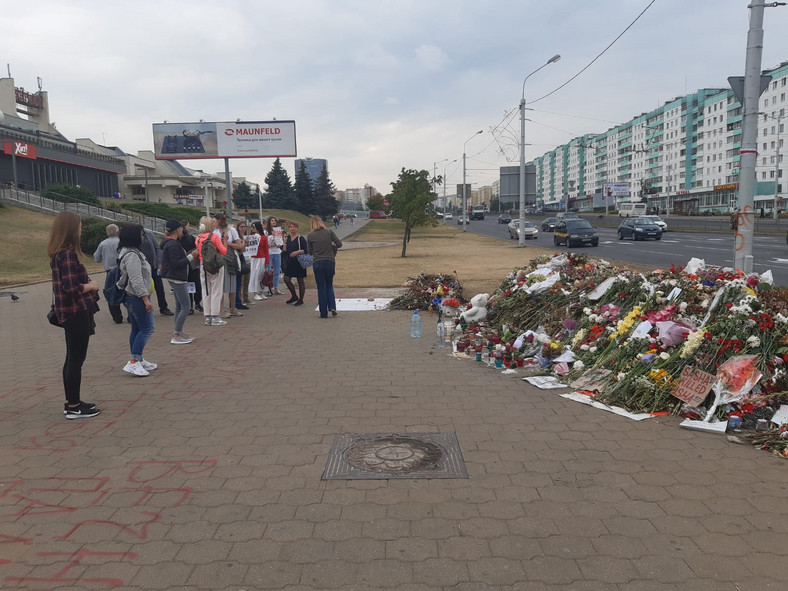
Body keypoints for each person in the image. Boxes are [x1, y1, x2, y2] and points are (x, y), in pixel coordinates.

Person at [48, 211, 101, 419]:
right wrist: (92, 285)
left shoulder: (58, 254)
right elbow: (71, 287)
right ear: (71, 229)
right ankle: (73, 406)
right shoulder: (67, 255)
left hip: (69, 312)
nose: (81, 229)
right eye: (79, 226)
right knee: (76, 359)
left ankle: (73, 402)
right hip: (74, 311)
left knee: (72, 358)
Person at [117, 224, 157, 376]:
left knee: (137, 328)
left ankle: (138, 358)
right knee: (147, 328)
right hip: (136, 297)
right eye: (140, 234)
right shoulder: (132, 255)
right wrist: (146, 299)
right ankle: (133, 361)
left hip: (134, 297)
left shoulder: (129, 252)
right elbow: (136, 279)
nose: (142, 237)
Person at [160, 220, 199, 344]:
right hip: (177, 278)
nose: (183, 230)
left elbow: (177, 260)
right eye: (181, 228)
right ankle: (176, 335)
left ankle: (178, 331)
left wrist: (189, 255)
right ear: (177, 229)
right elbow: (176, 263)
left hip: (176, 277)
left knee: (179, 306)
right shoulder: (172, 244)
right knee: (186, 306)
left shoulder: (172, 243)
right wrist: (191, 256)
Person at [195, 215, 228, 326]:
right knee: (216, 290)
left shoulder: (198, 237)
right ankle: (215, 316)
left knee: (206, 290)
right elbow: (223, 251)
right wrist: (225, 242)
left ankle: (207, 316)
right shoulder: (214, 237)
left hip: (202, 264)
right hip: (215, 265)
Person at [307, 215, 342, 319]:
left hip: (318, 262)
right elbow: (339, 244)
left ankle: (323, 313)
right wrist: (331, 247)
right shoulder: (329, 232)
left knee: (321, 287)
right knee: (329, 285)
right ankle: (332, 307)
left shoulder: (310, 235)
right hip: (330, 261)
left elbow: (309, 252)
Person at [93, 223, 123, 324]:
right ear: (118, 232)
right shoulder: (121, 242)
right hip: (122, 269)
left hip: (110, 271)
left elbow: (96, 258)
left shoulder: (103, 244)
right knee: (127, 290)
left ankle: (117, 317)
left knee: (111, 292)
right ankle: (131, 316)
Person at [140, 227, 173, 316]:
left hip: (153, 266)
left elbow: (157, 248)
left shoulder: (149, 233)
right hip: (141, 268)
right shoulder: (133, 236)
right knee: (143, 288)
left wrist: (159, 262)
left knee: (159, 288)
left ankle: (163, 307)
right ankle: (145, 308)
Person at [178, 220, 203, 313]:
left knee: (195, 285)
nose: (189, 227)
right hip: (186, 264)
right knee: (190, 285)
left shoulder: (190, 237)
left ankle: (196, 303)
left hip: (192, 264)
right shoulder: (179, 239)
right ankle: (191, 305)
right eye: (188, 225)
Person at [283, 221, 308, 306]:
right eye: (291, 227)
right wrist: (285, 242)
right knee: (286, 279)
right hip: (290, 262)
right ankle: (294, 295)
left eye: (294, 227)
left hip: (299, 261)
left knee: (300, 280)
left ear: (297, 228)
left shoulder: (300, 238)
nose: (292, 228)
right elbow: (284, 250)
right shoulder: (288, 238)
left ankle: (301, 299)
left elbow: (306, 249)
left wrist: (297, 252)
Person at [249, 221, 269, 301]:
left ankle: (261, 291)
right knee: (255, 275)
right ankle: (255, 293)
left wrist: (267, 261)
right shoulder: (251, 237)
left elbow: (266, 249)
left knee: (261, 275)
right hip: (254, 258)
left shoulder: (263, 237)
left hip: (262, 258)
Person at [265, 216, 284, 295]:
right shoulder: (266, 232)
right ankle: (268, 288)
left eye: (275, 220)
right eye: (272, 220)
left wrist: (280, 244)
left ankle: (276, 288)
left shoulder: (278, 231)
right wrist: (270, 245)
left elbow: (281, 241)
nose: (273, 222)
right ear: (269, 222)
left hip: (277, 252)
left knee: (277, 271)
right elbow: (264, 242)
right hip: (269, 252)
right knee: (268, 271)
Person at [234, 221, 251, 309]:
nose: (243, 228)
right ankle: (238, 300)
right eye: (241, 227)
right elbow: (241, 250)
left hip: (247, 259)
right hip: (240, 260)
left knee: (245, 281)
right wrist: (245, 244)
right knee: (239, 282)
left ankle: (244, 297)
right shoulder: (237, 238)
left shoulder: (246, 236)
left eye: (244, 226)